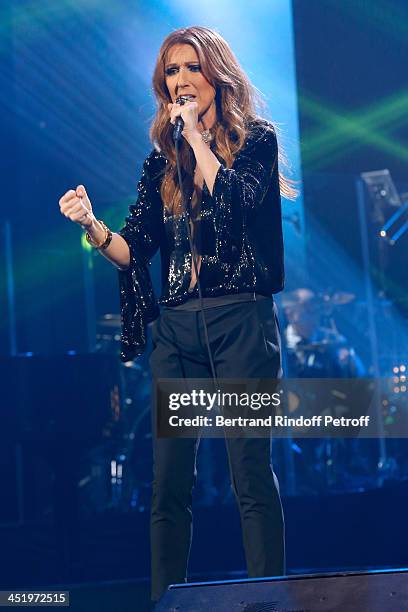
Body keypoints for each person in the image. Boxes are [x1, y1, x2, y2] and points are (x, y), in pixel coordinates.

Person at [59, 25, 293, 605]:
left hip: (241, 322)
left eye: (190, 68)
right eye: (171, 72)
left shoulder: (256, 141)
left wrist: (199, 141)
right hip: (179, 330)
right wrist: (92, 224)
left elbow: (235, 208)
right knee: (168, 483)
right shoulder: (159, 164)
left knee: (249, 475)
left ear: (215, 73)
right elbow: (132, 248)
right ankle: (167, 599)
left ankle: (267, 597)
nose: (181, 81)